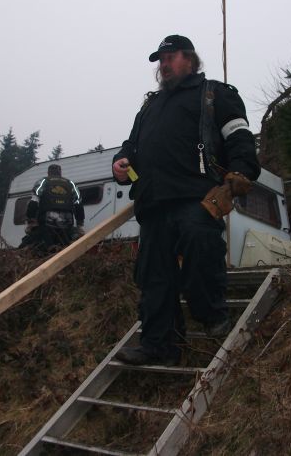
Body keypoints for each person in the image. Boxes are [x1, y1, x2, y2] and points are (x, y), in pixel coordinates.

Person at [111, 34, 260, 365]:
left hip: (197, 196)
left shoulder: (214, 94)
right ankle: (159, 345)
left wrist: (241, 170)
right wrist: (121, 161)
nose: (164, 65)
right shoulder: (149, 107)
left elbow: (239, 136)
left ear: (190, 60)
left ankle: (211, 314)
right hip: (153, 203)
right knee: (154, 276)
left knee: (199, 247)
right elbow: (131, 145)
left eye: (170, 57)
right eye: (161, 60)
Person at [20, 164, 85, 253]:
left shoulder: (43, 182)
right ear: (60, 172)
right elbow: (78, 204)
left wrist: (30, 221)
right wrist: (80, 225)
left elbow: (34, 201)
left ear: (48, 173)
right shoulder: (70, 184)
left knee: (36, 243)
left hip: (47, 223)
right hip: (67, 223)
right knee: (66, 247)